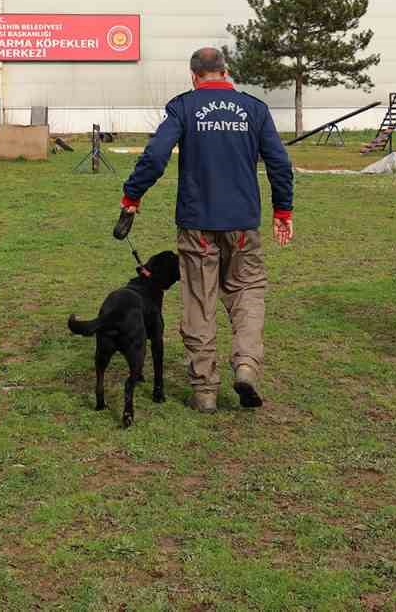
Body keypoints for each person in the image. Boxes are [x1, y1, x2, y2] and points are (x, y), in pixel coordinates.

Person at [118, 47, 294, 413]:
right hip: (243, 223)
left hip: (196, 224)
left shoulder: (184, 106)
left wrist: (132, 196)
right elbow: (279, 161)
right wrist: (283, 209)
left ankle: (204, 391)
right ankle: (246, 364)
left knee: (199, 301)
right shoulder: (254, 109)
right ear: (225, 71)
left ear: (193, 75)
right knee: (247, 291)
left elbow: (155, 155)